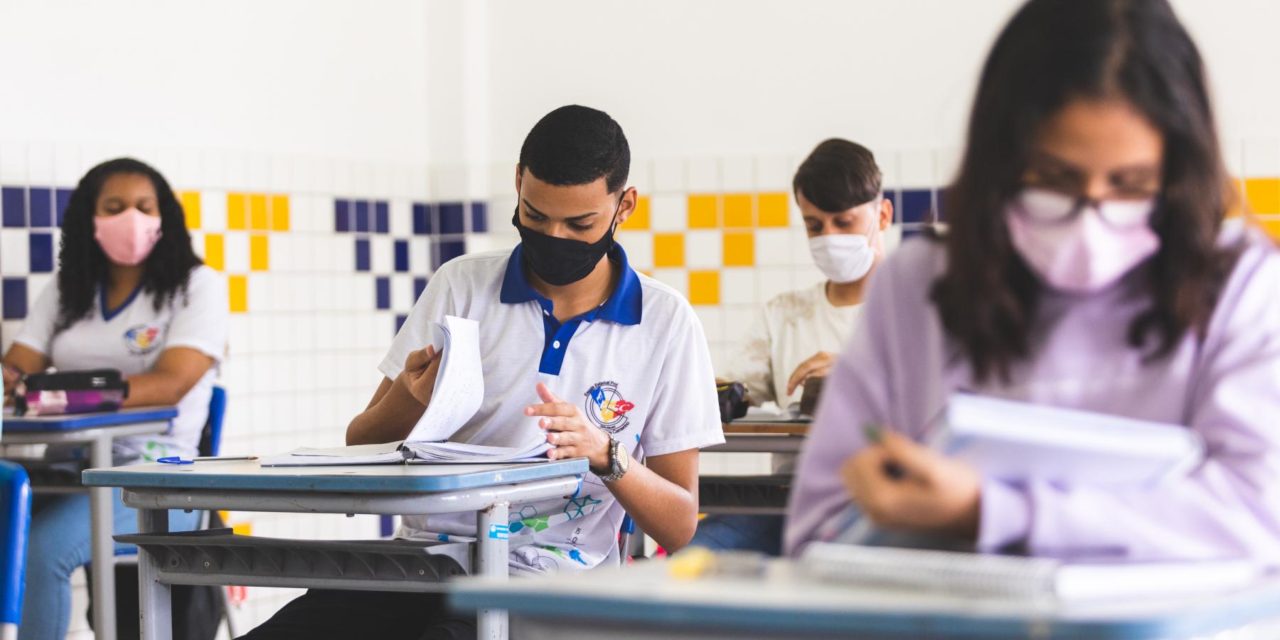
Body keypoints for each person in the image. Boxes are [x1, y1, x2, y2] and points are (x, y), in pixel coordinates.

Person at [786, 0, 1280, 562]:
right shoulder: (916, 289)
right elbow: (817, 533)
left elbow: (1261, 516)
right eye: (1054, 179)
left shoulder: (1239, 285)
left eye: (1132, 185)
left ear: (1180, 174)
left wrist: (993, 512)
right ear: (999, 162)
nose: (1089, 222)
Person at [239, 105, 724, 640]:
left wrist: (605, 454)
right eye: (535, 216)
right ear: (517, 183)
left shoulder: (665, 321)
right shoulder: (461, 286)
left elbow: (681, 526)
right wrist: (410, 398)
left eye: (579, 224)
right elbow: (360, 444)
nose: (554, 237)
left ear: (623, 206)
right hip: (423, 566)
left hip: (551, 583)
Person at [2, 157, 228, 640]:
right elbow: (17, 368)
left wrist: (66, 396)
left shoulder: (196, 286)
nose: (132, 217)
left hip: (159, 477)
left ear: (165, 216)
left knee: (39, 550)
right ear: (90, 218)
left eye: (144, 206)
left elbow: (171, 384)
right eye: (115, 206)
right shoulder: (67, 289)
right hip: (68, 470)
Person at [696, 139, 892, 555]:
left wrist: (853, 375)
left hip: (885, 506)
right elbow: (730, 388)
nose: (829, 237)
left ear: (884, 215)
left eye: (844, 222)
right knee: (695, 556)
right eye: (814, 225)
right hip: (789, 504)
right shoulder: (786, 314)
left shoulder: (917, 310)